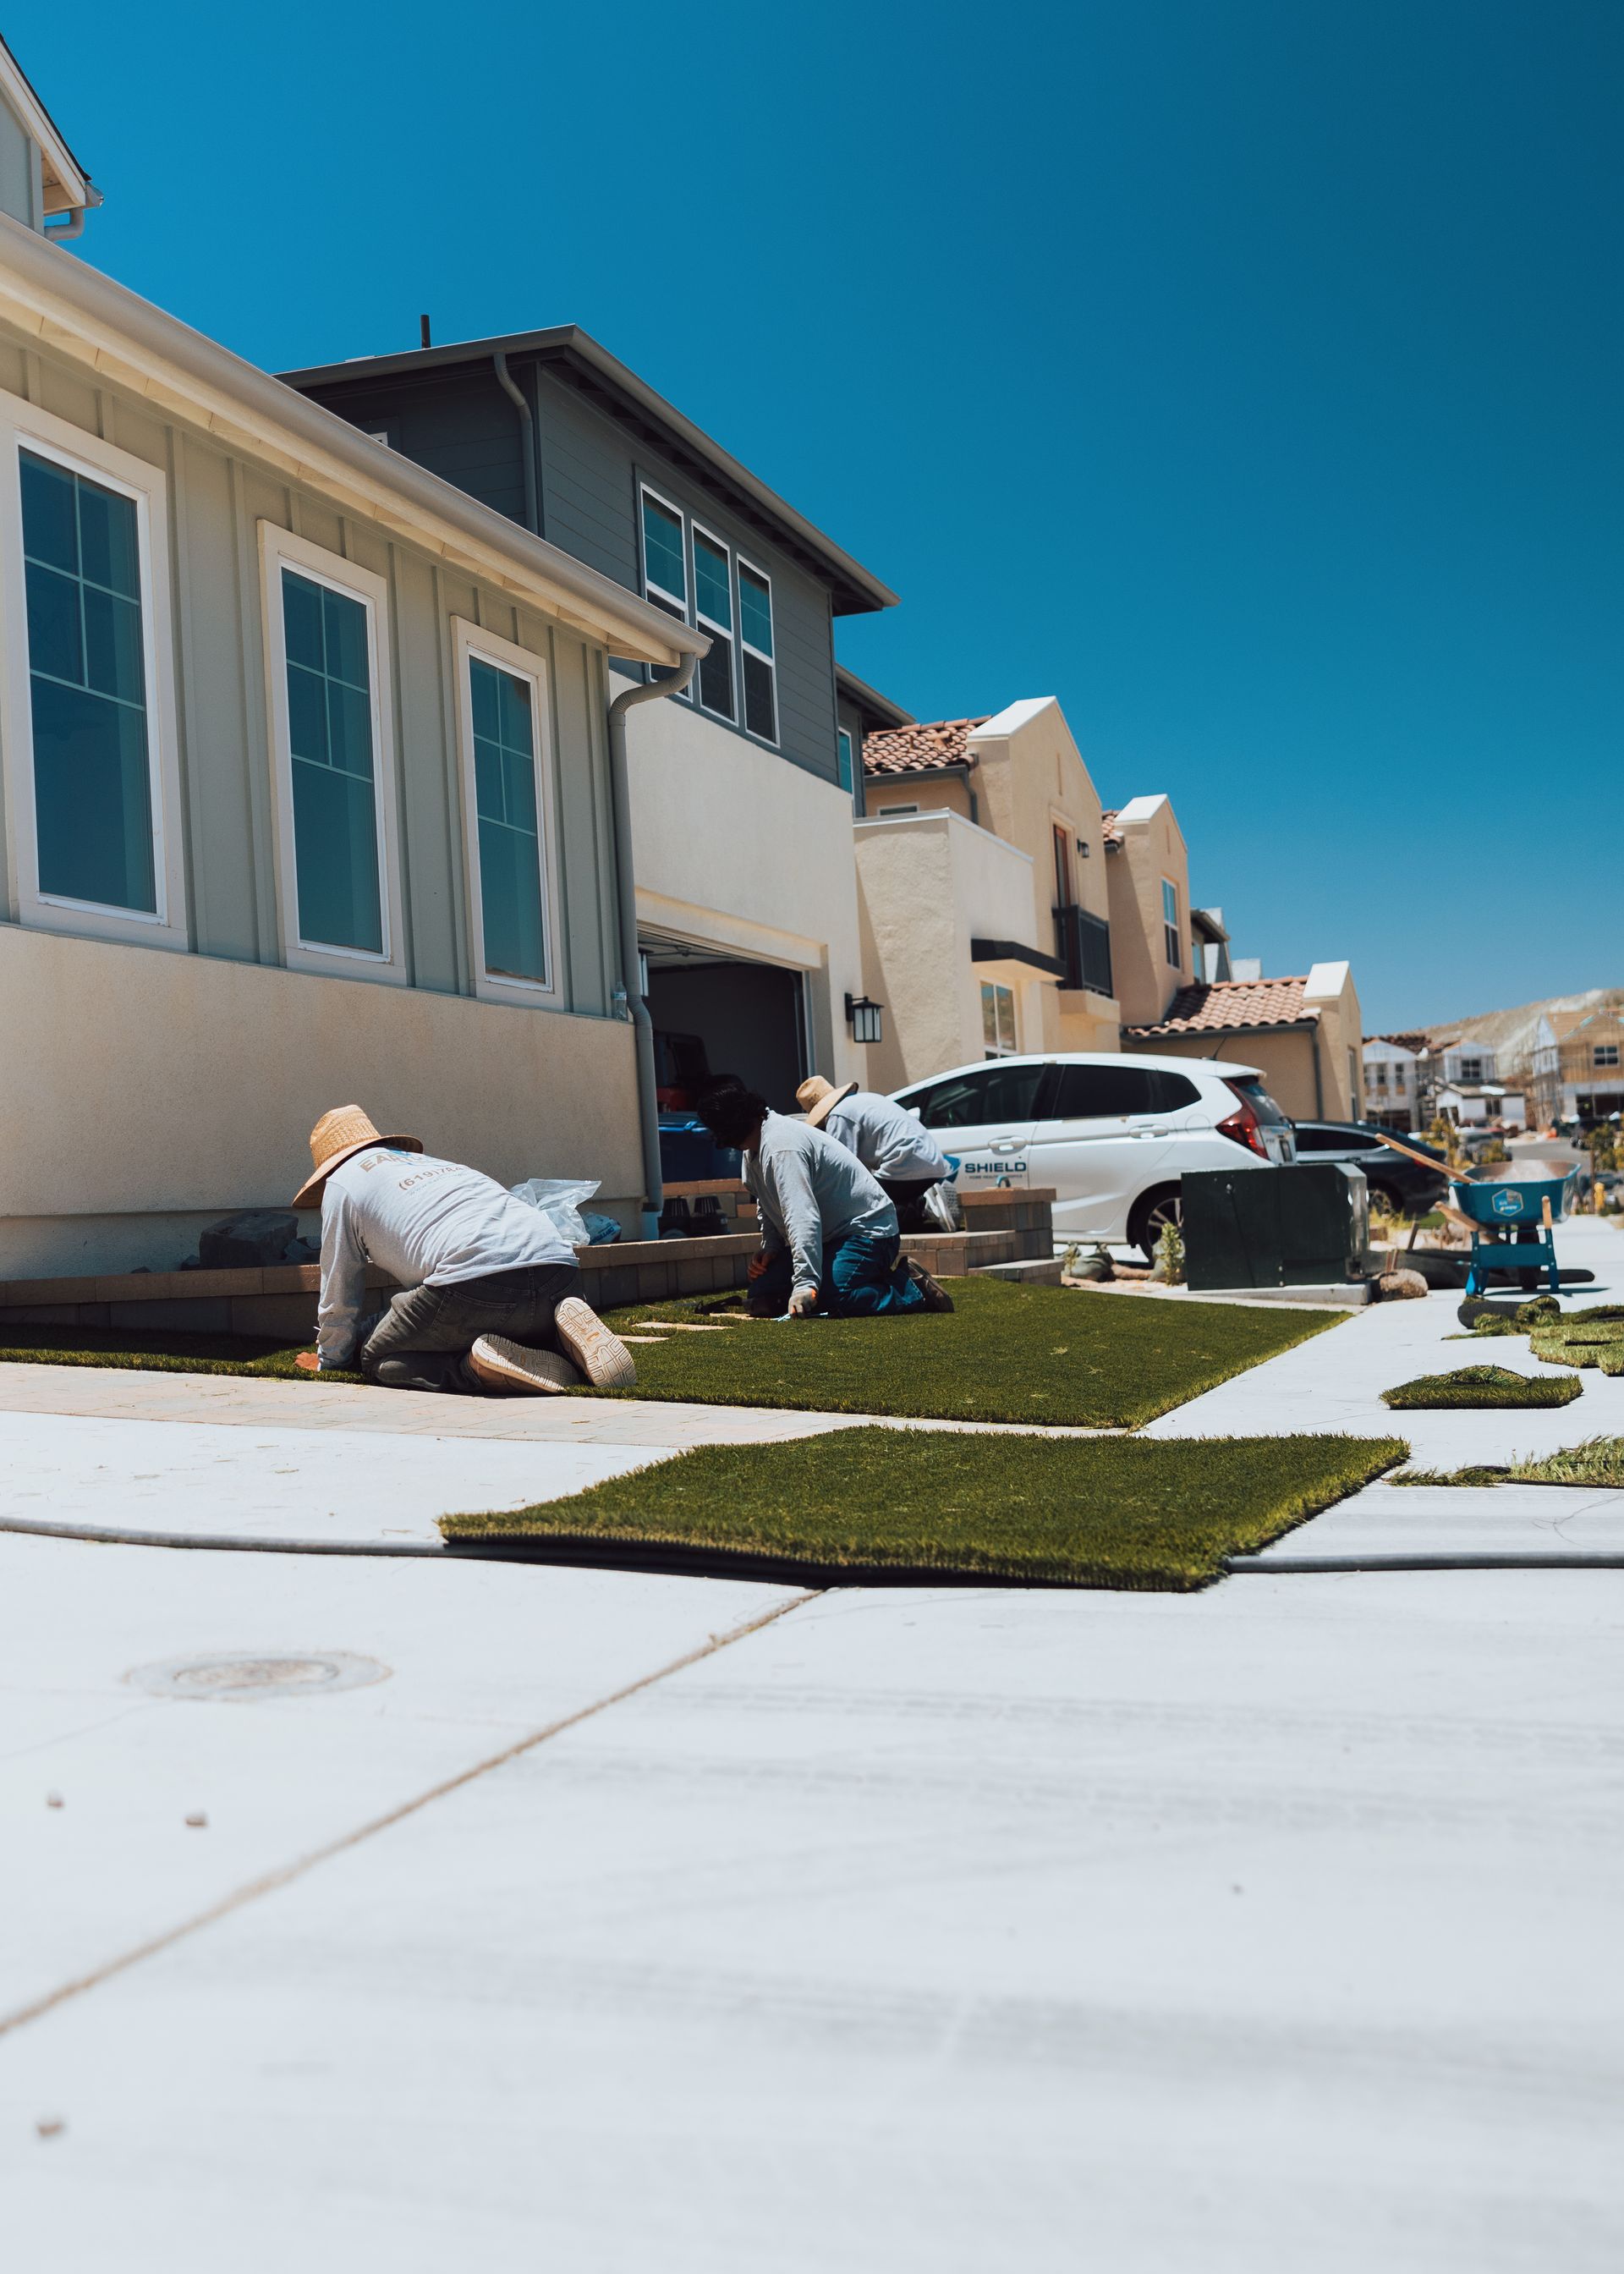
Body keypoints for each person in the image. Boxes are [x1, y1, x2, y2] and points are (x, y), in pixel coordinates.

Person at [291, 1104, 636, 1395]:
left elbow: (340, 1287)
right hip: (560, 1276)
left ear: (327, 1169)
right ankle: (561, 1345)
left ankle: (476, 1368)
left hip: (473, 1286)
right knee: (378, 1325)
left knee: (375, 1357)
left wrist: (331, 1361)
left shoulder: (343, 1183)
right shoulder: (433, 1165)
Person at [692, 1076, 952, 1319]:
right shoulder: (753, 1149)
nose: (717, 1138)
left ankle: (909, 1287)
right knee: (762, 1294)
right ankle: (856, 1273)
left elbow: (802, 1216)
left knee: (836, 1295)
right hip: (832, 1237)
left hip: (868, 1233)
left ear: (728, 1126)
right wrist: (771, 1249)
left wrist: (805, 1284)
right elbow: (766, 1203)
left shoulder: (782, 1146)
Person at [796, 1076, 954, 1231]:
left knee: (869, 1212)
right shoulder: (864, 1100)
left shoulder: (839, 1115)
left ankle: (922, 1206)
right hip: (928, 1162)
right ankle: (924, 1206)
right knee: (886, 1206)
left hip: (904, 1162)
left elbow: (843, 1167)